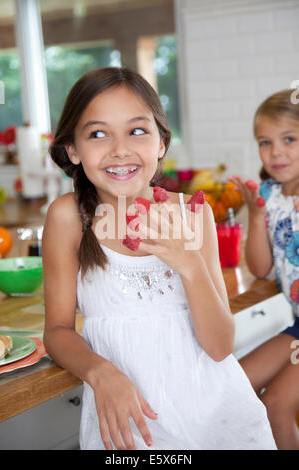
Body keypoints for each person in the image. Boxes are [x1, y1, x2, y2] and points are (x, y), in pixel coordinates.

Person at [42, 67, 276, 450]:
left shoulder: (193, 213)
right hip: (132, 429)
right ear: (73, 150)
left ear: (161, 143)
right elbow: (57, 331)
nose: (120, 149)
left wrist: (188, 262)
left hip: (218, 423)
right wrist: (100, 372)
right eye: (98, 133)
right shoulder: (68, 217)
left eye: (137, 130)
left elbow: (219, 346)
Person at [229, 89, 299, 450]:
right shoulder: (269, 195)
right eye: (265, 142)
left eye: (289, 139)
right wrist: (256, 216)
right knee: (233, 388)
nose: (276, 152)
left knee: (276, 403)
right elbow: (260, 269)